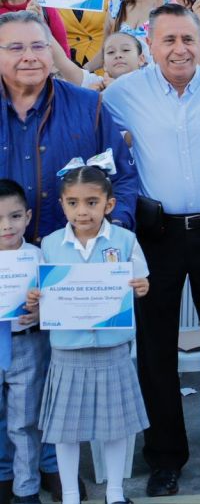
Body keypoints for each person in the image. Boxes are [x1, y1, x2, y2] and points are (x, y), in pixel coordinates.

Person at [102, 4, 200, 497]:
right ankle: (165, 459)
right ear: (150, 45)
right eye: (168, 40)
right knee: (155, 352)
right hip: (157, 235)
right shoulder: (126, 92)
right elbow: (86, 104)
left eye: (188, 39)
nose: (179, 49)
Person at [29, 164, 150, 504]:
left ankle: (115, 492)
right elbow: (41, 295)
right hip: (68, 352)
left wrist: (141, 287)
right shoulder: (50, 245)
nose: (82, 211)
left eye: (92, 202)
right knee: (65, 432)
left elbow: (141, 281)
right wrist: (36, 299)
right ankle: (69, 494)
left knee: (116, 427)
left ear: (109, 204)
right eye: (73, 203)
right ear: (63, 204)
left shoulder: (125, 241)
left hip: (112, 349)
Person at [0, 11, 137, 242]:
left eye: (39, 46)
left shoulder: (88, 105)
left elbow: (122, 177)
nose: (30, 56)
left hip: (76, 259)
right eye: (16, 48)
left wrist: (114, 228)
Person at [0, 180, 46, 504]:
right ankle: (3, 477)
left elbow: (56, 301)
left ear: (28, 218)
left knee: (24, 422)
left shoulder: (38, 256)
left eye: (15, 216)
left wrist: (41, 311)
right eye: (0, 219)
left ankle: (26, 490)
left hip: (27, 345)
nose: (7, 226)